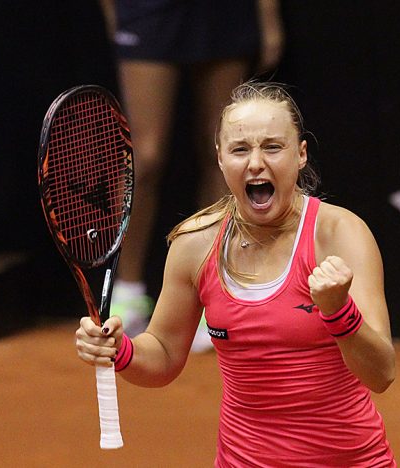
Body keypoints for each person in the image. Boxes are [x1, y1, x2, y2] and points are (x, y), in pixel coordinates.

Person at [76, 81, 397, 466]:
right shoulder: (195, 245)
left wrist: (339, 312)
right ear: (220, 159)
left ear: (300, 154)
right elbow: (163, 354)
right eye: (240, 149)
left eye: (272, 147)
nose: (255, 163)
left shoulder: (340, 235)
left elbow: (382, 373)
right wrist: (120, 350)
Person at [103, 0, 285, 346]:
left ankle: (213, 293)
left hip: (220, 11)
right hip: (148, 10)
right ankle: (127, 291)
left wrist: (267, 16)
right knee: (146, 155)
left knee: (224, 150)